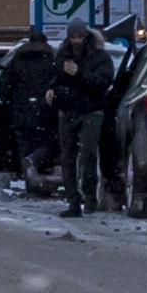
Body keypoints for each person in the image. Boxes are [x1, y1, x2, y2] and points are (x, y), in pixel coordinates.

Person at [0, 27, 61, 195]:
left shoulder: (16, 61)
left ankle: (30, 180)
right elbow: (59, 85)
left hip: (21, 112)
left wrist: (10, 103)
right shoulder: (52, 62)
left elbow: (4, 85)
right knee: (47, 144)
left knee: (25, 144)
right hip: (45, 112)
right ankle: (37, 170)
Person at [57, 24, 114, 211]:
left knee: (89, 154)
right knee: (68, 157)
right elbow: (56, 78)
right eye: (73, 37)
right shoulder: (63, 55)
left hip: (91, 110)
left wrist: (79, 73)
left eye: (79, 37)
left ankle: (89, 197)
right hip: (68, 109)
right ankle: (72, 199)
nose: (76, 41)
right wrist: (52, 90)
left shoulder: (100, 57)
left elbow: (103, 82)